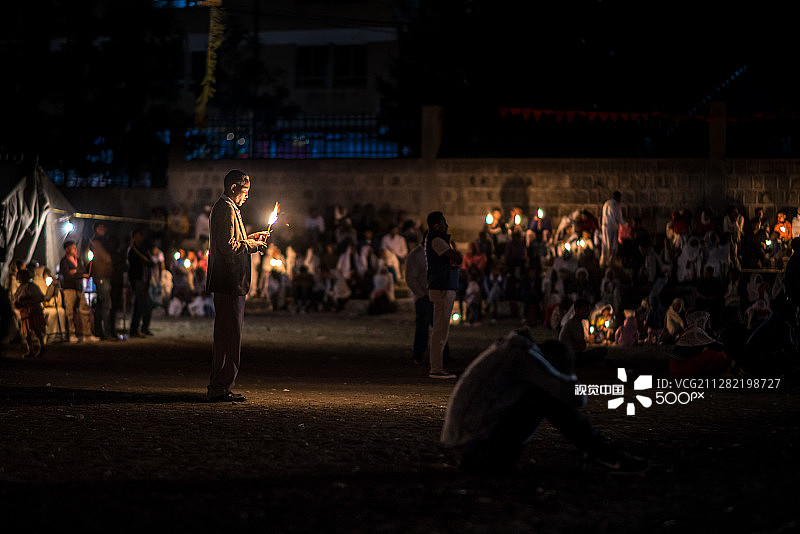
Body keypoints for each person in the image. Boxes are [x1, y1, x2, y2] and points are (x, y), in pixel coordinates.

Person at [440, 329, 649, 474]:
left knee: (539, 394)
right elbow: (576, 397)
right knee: (543, 397)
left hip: (467, 447)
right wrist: (569, 375)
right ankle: (607, 454)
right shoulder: (523, 357)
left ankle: (601, 452)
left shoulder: (513, 351)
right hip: (476, 454)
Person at [205, 170, 269, 403]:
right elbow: (228, 246)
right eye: (245, 191)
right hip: (229, 282)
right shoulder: (224, 209)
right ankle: (220, 386)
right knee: (229, 336)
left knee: (228, 334)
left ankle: (221, 384)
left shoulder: (229, 209)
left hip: (231, 282)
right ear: (233, 188)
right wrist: (251, 245)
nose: (246, 196)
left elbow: (233, 240)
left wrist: (251, 237)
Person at [424, 211, 462, 379]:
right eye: (443, 222)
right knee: (440, 329)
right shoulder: (437, 240)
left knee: (441, 329)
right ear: (436, 225)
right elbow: (455, 257)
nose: (446, 225)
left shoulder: (436, 240)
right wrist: (454, 255)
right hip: (442, 288)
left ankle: (437, 366)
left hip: (443, 286)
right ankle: (436, 368)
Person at [405, 240, 449, 365]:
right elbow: (410, 277)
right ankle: (420, 354)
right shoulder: (416, 255)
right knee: (424, 326)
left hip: (435, 295)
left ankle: (443, 355)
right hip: (424, 296)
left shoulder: (435, 253)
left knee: (439, 326)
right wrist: (421, 294)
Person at [58, 240, 97, 343]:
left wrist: (75, 273)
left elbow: (82, 271)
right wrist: (79, 274)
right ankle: (71, 334)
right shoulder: (64, 261)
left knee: (84, 311)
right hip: (69, 289)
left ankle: (87, 334)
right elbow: (66, 275)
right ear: (67, 249)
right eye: (73, 248)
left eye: (75, 247)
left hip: (79, 288)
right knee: (69, 313)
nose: (75, 250)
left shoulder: (78, 260)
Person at [558, 298, 606, 364]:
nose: (588, 312)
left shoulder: (576, 322)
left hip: (569, 354)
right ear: (577, 310)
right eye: (585, 310)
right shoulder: (574, 323)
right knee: (602, 351)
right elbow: (582, 346)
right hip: (571, 356)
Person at [89, 221, 114, 340]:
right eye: (100, 227)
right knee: (105, 304)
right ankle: (105, 332)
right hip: (101, 276)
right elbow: (107, 258)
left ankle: (101, 331)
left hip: (104, 276)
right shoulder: (96, 242)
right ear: (96, 229)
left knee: (102, 304)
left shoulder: (102, 242)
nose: (103, 229)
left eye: (104, 227)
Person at [127, 228, 155, 338]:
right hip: (138, 280)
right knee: (144, 304)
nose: (141, 238)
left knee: (141, 305)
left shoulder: (142, 249)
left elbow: (150, 263)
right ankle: (138, 329)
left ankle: (139, 329)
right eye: (139, 235)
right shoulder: (132, 251)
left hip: (144, 280)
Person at [13, 268, 46, 358]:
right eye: (19, 277)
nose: (20, 278)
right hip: (25, 313)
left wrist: (28, 300)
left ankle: (42, 347)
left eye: (22, 276)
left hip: (33, 312)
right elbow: (16, 301)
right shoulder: (20, 288)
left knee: (36, 330)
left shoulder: (32, 287)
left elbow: (40, 297)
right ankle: (30, 349)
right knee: (26, 333)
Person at [600, 191, 624, 267]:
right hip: (612, 227)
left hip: (605, 226)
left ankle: (603, 262)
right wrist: (625, 224)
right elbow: (618, 218)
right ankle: (610, 263)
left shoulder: (606, 203)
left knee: (605, 244)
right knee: (612, 245)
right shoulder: (615, 205)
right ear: (618, 197)